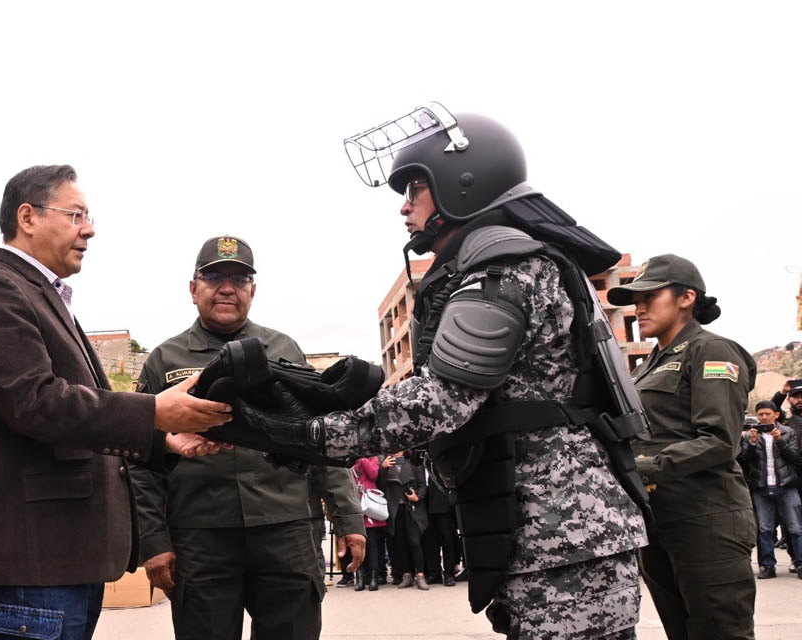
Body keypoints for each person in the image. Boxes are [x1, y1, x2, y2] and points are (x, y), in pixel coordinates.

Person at [237, 104, 649, 638]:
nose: (404, 208)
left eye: (415, 189)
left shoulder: (506, 273)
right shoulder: (520, 265)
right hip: (559, 537)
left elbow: (437, 402)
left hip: (564, 540)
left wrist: (309, 436)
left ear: (463, 184)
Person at [0, 165, 232, 640]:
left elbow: (80, 418)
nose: (89, 228)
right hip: (34, 563)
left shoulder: (43, 296)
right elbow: (36, 403)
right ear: (28, 217)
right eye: (75, 214)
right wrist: (153, 411)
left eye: (88, 215)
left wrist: (165, 441)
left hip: (61, 560)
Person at [129, 236, 365, 640]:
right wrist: (153, 540)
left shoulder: (284, 349)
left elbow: (324, 436)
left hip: (285, 530)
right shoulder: (164, 361)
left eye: (239, 279)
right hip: (200, 537)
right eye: (214, 277)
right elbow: (141, 460)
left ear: (252, 291)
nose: (226, 288)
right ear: (193, 289)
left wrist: (348, 517)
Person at [607, 253, 758, 637]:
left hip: (706, 519)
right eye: (634, 301)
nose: (638, 308)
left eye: (649, 297)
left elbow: (719, 441)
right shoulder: (647, 365)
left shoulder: (712, 351)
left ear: (686, 297)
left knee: (719, 632)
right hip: (659, 519)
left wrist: (638, 468)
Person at [739, 400, 802, 579]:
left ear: (776, 415)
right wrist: (751, 443)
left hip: (786, 486)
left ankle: (800, 563)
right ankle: (767, 566)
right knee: (765, 529)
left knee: (795, 528)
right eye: (760, 414)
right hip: (761, 487)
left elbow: (795, 458)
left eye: (767, 414)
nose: (764, 417)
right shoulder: (749, 435)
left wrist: (780, 440)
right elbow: (746, 460)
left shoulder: (787, 432)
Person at [377, 452, 429, 590]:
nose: (396, 450)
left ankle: (420, 575)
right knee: (400, 542)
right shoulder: (387, 464)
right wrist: (383, 468)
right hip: (394, 508)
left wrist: (417, 497)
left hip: (412, 508)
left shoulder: (413, 463)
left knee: (415, 541)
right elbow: (380, 485)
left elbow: (422, 484)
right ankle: (406, 575)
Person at [351, 456, 389, 591]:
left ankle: (374, 576)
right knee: (357, 543)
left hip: (369, 506)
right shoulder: (351, 462)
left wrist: (363, 459)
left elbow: (373, 475)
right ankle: (360, 577)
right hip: (355, 504)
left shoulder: (373, 459)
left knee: (372, 544)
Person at [421, 456, 459, 587]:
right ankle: (434, 573)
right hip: (424, 505)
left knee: (447, 540)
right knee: (430, 542)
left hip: (443, 505)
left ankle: (449, 573)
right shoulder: (418, 460)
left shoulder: (439, 458)